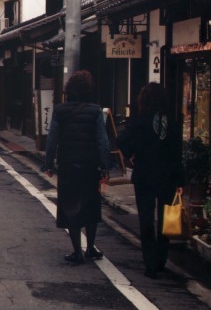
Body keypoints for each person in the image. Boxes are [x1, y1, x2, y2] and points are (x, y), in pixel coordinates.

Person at [116, 82, 184, 279]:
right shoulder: (172, 121)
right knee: (165, 219)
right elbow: (176, 152)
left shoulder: (140, 120)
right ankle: (161, 259)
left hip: (145, 174)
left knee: (146, 219)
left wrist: (132, 155)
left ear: (143, 100)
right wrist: (180, 179)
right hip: (168, 176)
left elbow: (122, 141)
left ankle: (150, 264)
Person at [43, 70, 110, 264]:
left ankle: (76, 252)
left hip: (68, 165)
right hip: (90, 166)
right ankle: (90, 248)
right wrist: (105, 166)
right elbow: (102, 142)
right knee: (91, 205)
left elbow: (52, 139)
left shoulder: (60, 110)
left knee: (70, 206)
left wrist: (48, 163)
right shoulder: (95, 110)